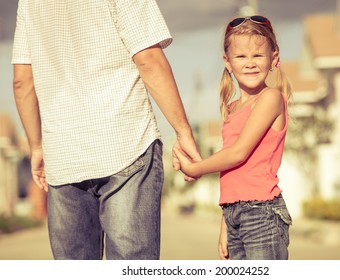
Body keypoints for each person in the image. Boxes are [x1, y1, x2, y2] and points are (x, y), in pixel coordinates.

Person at [12, 0, 200, 260]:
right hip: (126, 143)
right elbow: (148, 59)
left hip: (63, 155)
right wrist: (183, 132)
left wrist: (36, 146)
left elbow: (22, 80)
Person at [174, 15, 293, 260]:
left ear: (274, 59)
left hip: (263, 213)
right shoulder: (232, 108)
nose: (250, 63)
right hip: (234, 214)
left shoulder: (270, 98)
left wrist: (195, 168)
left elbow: (237, 154)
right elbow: (231, 172)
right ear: (227, 62)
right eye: (241, 56)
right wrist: (225, 223)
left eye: (258, 56)